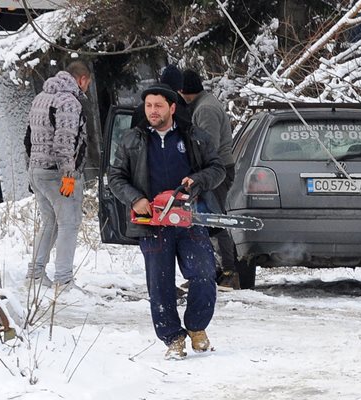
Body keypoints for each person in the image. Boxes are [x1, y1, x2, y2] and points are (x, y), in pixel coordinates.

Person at [108, 83, 225, 360]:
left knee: (204, 273)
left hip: (189, 218)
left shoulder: (194, 137)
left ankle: (197, 327)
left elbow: (217, 168)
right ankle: (173, 337)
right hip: (152, 221)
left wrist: (197, 181)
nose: (152, 111)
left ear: (172, 108)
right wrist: (135, 198)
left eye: (158, 105)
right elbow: (115, 177)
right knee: (160, 284)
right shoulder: (132, 140)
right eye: (148, 106)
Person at [24, 60, 91, 292]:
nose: (87, 88)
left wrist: (31, 169)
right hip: (56, 174)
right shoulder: (69, 102)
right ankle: (63, 279)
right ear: (82, 79)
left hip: (37, 170)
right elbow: (64, 142)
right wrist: (68, 175)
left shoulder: (41, 97)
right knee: (69, 223)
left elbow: (28, 137)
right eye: (88, 83)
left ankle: (35, 274)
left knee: (50, 221)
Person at [179, 69, 240, 290]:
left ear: (184, 92)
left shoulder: (205, 110)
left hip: (216, 172)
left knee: (215, 219)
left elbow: (207, 146)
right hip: (211, 171)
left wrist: (199, 174)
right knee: (204, 218)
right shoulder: (203, 104)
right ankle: (211, 271)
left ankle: (229, 272)